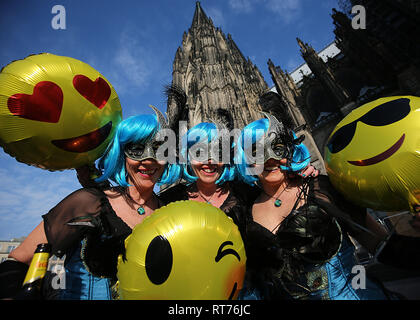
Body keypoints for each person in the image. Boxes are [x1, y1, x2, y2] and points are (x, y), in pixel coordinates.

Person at [0, 109, 181, 300]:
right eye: (136, 149)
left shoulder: (170, 215)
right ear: (122, 155)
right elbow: (17, 261)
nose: (148, 159)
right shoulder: (87, 203)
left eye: (160, 149)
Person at [234, 112, 400, 300]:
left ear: (289, 150)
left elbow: (381, 245)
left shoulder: (320, 189)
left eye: (277, 148)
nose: (270, 159)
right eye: (256, 152)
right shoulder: (246, 214)